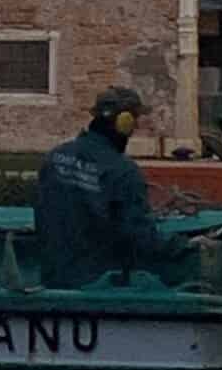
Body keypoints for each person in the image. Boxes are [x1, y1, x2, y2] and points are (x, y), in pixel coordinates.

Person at [33, 87, 167, 288]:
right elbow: (139, 235)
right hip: (98, 285)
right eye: (135, 120)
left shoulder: (55, 157)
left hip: (53, 278)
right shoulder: (124, 172)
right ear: (124, 123)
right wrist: (181, 247)